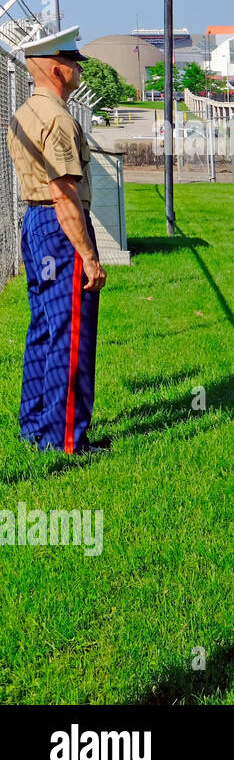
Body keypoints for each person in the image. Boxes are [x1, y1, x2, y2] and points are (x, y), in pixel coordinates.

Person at [5, 25, 106, 454]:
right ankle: (67, 441)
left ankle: (36, 429)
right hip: (60, 229)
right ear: (55, 68)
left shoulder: (26, 112)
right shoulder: (58, 119)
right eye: (72, 61)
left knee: (45, 330)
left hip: (36, 223)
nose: (77, 69)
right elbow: (64, 192)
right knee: (71, 334)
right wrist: (89, 255)